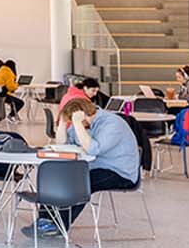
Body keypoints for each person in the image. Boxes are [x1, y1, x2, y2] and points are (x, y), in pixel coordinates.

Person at [29, 97, 141, 238]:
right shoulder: (82, 124)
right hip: (94, 167)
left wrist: (77, 124)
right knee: (57, 177)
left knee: (81, 183)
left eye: (76, 121)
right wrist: (63, 124)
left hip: (120, 172)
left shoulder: (113, 123)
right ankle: (44, 220)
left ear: (85, 115)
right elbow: (63, 145)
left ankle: (59, 225)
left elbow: (92, 149)